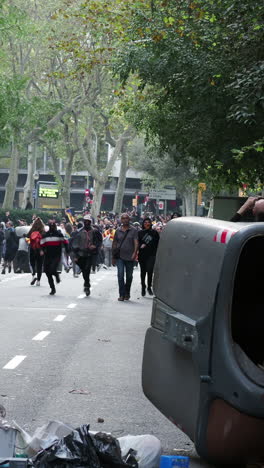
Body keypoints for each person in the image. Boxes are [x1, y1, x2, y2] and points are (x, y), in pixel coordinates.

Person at [72, 215, 101, 296]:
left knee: (87, 269)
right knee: (84, 269)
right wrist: (75, 255)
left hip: (90, 254)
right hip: (81, 254)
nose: (87, 223)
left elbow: (99, 241)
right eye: (86, 221)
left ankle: (87, 285)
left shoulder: (95, 231)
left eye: (88, 221)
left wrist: (95, 246)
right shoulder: (79, 232)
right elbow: (74, 243)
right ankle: (86, 282)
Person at [112, 213, 138, 301]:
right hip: (120, 256)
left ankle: (127, 292)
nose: (125, 220)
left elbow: (136, 242)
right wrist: (113, 257)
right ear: (121, 220)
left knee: (129, 276)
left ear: (129, 219)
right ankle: (122, 294)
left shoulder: (134, 230)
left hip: (130, 256)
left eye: (126, 218)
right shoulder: (118, 230)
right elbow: (114, 243)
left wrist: (135, 253)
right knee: (120, 275)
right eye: (123, 218)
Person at [40, 220, 69, 295]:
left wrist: (68, 251)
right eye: (51, 226)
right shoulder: (45, 235)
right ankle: (52, 288)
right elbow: (42, 245)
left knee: (52, 269)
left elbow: (65, 242)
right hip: (47, 255)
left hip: (56, 255)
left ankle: (56, 275)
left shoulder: (59, 234)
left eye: (53, 226)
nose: (52, 227)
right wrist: (41, 250)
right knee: (47, 271)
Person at [138, 217, 160, 296]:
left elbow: (158, 243)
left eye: (148, 222)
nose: (147, 224)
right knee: (143, 272)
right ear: (143, 224)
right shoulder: (140, 233)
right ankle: (143, 286)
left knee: (150, 271)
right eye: (145, 222)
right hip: (142, 255)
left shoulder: (154, 233)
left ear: (150, 223)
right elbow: (136, 243)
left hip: (151, 255)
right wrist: (140, 245)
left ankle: (149, 287)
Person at [27, 217, 46, 286]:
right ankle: (38, 280)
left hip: (32, 248)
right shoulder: (43, 231)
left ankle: (33, 275)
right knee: (40, 265)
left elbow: (27, 236)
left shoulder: (32, 230)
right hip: (41, 250)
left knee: (32, 262)